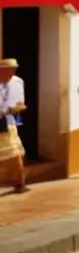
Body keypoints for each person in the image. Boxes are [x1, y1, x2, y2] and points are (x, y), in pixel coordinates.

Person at [0, 59, 27, 193]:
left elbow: (21, 104)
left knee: (16, 152)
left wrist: (11, 110)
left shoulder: (17, 82)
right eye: (7, 70)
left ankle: (21, 181)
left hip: (8, 122)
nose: (11, 72)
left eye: (13, 69)